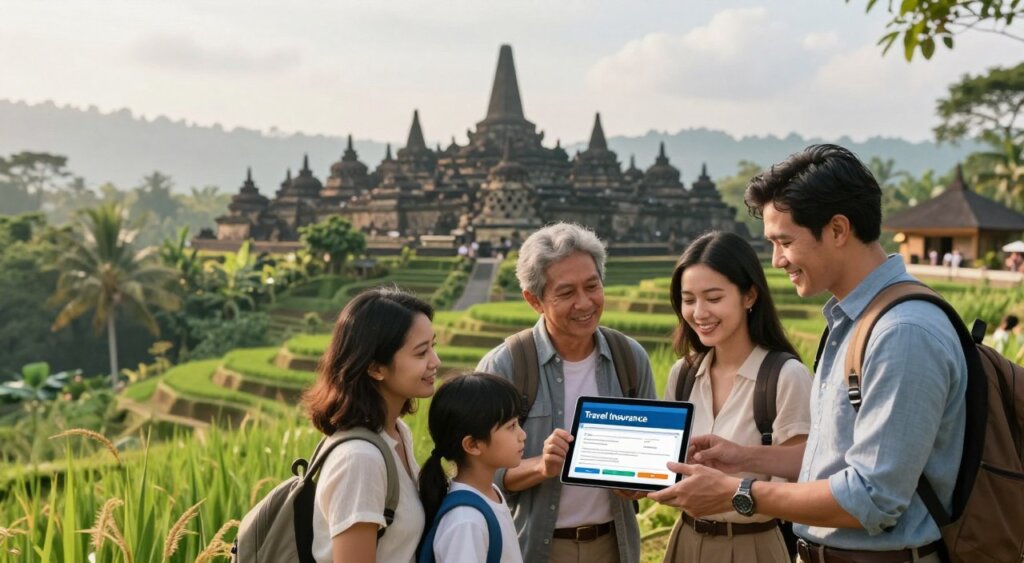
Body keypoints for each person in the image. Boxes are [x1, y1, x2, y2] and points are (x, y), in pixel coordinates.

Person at [648, 144, 966, 563]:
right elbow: (828, 461)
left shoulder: (900, 333)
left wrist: (737, 492)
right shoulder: (853, 323)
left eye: (784, 242)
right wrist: (743, 456)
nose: (776, 260)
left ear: (837, 230)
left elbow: (872, 497)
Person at [477, 222, 656, 563]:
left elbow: (648, 465)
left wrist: (640, 481)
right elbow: (481, 476)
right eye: (566, 292)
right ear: (534, 300)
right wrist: (540, 466)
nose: (584, 303)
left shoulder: (629, 359)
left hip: (614, 546)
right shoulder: (506, 366)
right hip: (533, 548)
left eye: (592, 286)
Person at [657, 231, 812, 562]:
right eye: (688, 299)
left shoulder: (785, 377)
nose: (699, 313)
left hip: (752, 545)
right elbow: (667, 464)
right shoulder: (682, 375)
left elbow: (806, 476)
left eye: (713, 298)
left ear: (749, 296)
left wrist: (740, 466)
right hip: (685, 540)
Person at [305, 287, 441, 563]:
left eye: (433, 347)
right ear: (375, 368)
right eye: (421, 353)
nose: (435, 362)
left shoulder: (396, 433)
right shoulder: (360, 460)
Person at [418, 372, 527, 563]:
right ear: (473, 445)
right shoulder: (466, 521)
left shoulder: (490, 493)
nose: (522, 435)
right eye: (511, 426)